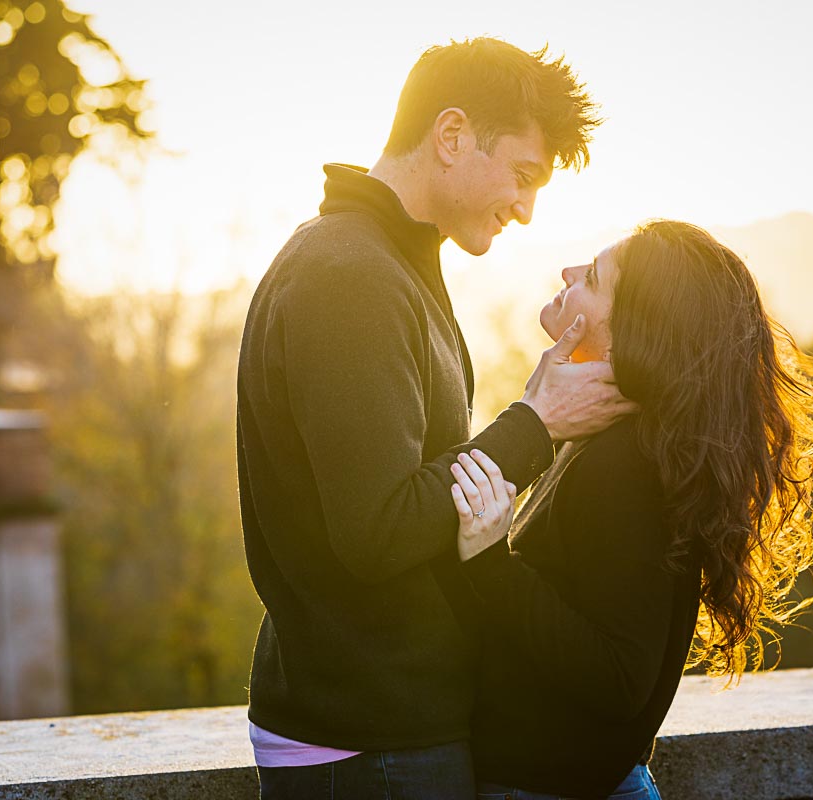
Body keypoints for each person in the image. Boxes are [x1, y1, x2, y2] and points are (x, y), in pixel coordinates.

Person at [237, 38, 635, 799]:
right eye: (523, 177)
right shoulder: (348, 278)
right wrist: (535, 425)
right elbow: (378, 530)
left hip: (386, 727)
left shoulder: (389, 263)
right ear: (451, 137)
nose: (526, 208)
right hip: (365, 742)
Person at [449, 220, 813, 799]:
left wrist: (489, 564)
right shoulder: (626, 446)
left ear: (628, 329)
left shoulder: (624, 467)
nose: (565, 274)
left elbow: (618, 676)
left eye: (590, 277)